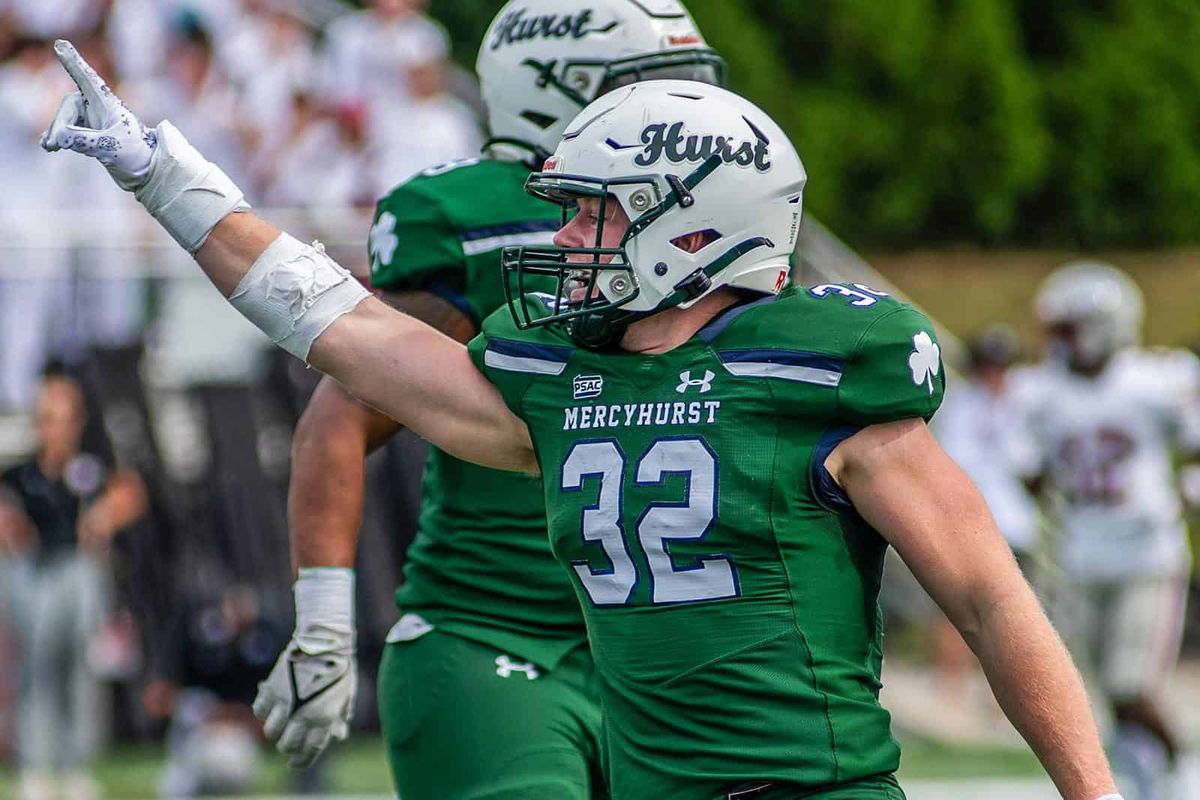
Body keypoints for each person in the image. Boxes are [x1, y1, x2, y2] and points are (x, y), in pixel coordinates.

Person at [41, 42, 1123, 800]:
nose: (564, 239)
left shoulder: (820, 376)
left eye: (594, 210)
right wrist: (164, 176)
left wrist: (1093, 789)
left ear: (694, 229)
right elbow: (338, 328)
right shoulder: (559, 383)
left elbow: (987, 597)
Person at [261, 1, 724, 796]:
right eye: (656, 83)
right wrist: (325, 621)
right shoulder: (476, 219)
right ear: (557, 87)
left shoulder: (715, 215)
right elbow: (342, 410)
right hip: (497, 633)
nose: (686, 116)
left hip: (664, 651)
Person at [1011, 261, 1200, 800]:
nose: (1060, 342)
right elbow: (1032, 473)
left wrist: (1187, 488)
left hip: (1147, 553)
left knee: (1131, 682)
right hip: (1080, 556)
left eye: (1068, 329)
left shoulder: (1155, 381)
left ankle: (1183, 769)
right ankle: (1138, 779)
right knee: (1092, 691)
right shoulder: (1042, 393)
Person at [0, 362, 147, 800]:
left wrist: (104, 517)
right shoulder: (21, 475)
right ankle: (37, 767)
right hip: (34, 573)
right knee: (37, 667)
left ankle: (74, 765)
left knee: (79, 668)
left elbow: (131, 492)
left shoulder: (90, 468)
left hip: (78, 570)